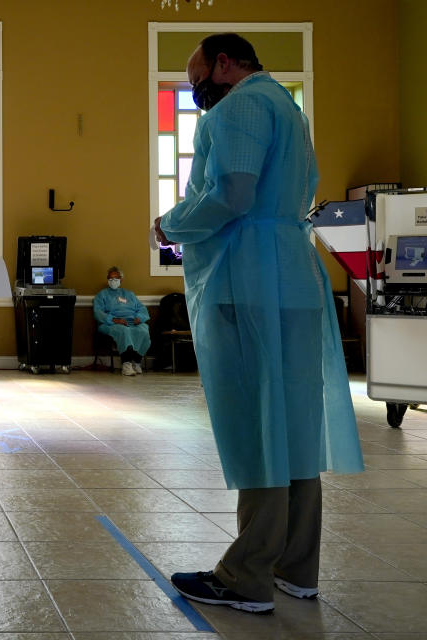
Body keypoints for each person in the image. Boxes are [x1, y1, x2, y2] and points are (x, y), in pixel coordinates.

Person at [153, 33, 364, 613]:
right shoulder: (288, 109)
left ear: (225, 64)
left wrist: (170, 224)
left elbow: (233, 194)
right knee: (295, 419)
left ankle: (247, 576)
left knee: (257, 419)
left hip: (249, 279)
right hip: (292, 279)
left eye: (198, 80)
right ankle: (296, 565)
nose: (198, 93)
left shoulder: (241, 104)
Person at [92, 267, 150, 376]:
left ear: (121, 279)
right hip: (110, 323)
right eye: (110, 278)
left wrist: (140, 318)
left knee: (143, 330)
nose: (113, 281)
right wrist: (115, 320)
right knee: (124, 331)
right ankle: (126, 364)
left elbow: (141, 308)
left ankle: (136, 362)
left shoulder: (129, 294)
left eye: (116, 278)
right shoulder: (102, 295)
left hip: (132, 321)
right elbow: (98, 312)